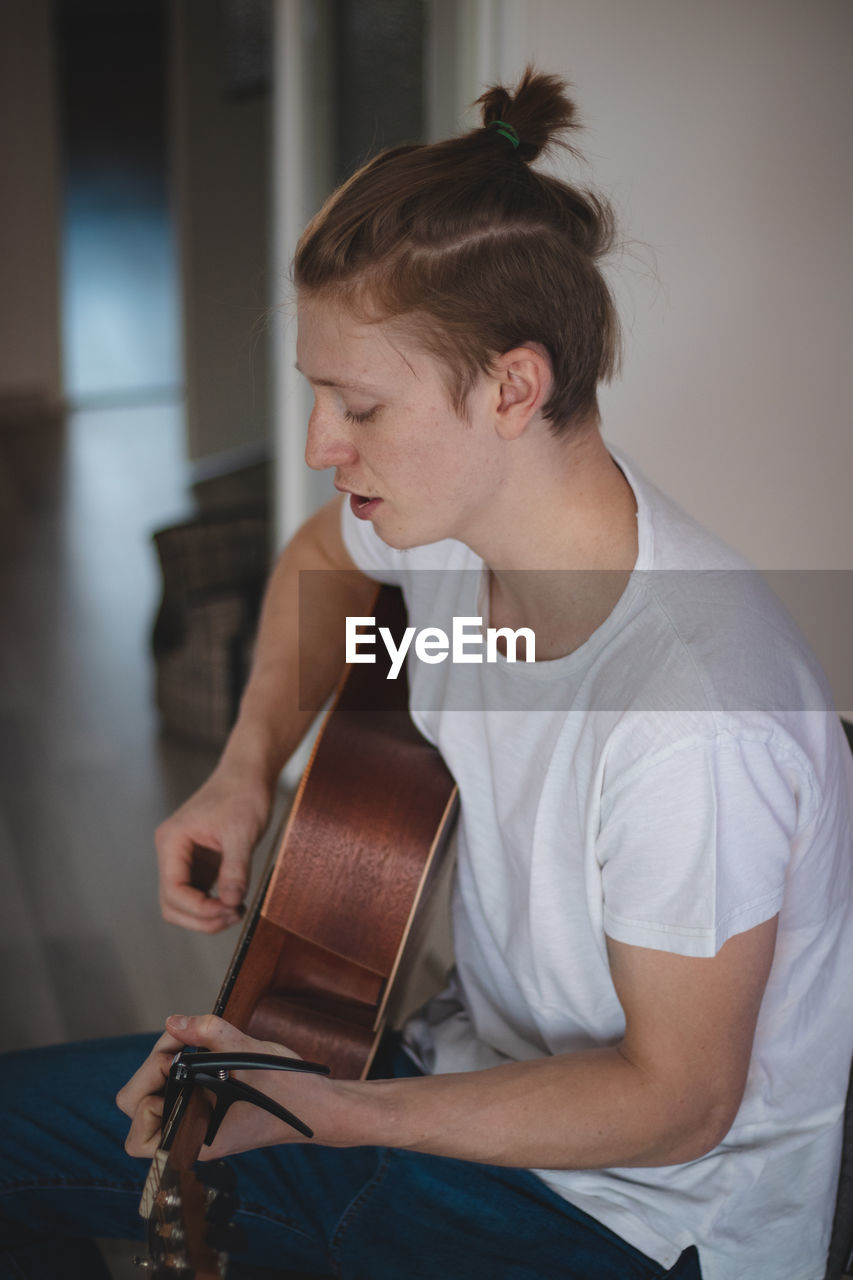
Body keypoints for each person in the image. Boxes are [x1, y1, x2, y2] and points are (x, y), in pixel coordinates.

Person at [1, 68, 851, 1280]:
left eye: (358, 404)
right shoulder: (450, 541)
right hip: (444, 1092)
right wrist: (247, 769)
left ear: (513, 386)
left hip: (628, 1220)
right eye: (316, 396)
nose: (316, 447)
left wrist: (333, 1110)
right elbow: (317, 562)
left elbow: (677, 1101)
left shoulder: (692, 716)